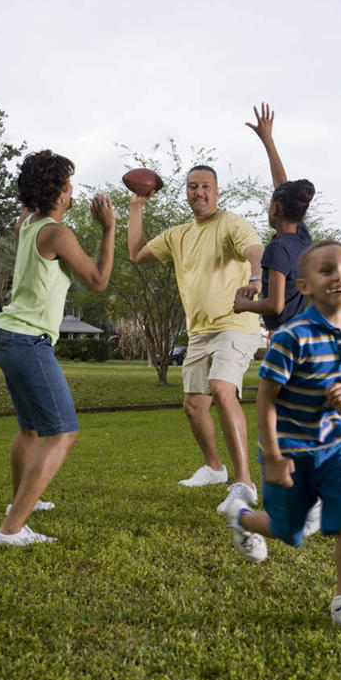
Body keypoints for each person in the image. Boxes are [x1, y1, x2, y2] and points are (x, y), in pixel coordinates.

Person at [224, 240, 341, 639]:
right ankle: (241, 517)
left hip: (333, 448)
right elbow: (266, 399)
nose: (339, 277)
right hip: (288, 450)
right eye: (327, 271)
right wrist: (273, 455)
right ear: (305, 286)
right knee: (288, 531)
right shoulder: (291, 337)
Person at [0, 150, 115, 546]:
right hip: (28, 341)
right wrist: (109, 229)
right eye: (68, 182)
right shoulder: (57, 233)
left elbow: (32, 208)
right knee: (62, 433)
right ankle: (11, 530)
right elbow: (97, 280)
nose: (73, 188)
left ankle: (19, 504)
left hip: (5, 335)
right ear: (59, 191)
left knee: (29, 429)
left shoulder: (26, 222)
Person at [128, 165, 264, 513]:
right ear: (186, 192)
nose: (198, 192)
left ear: (217, 191)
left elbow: (254, 250)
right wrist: (136, 207)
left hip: (235, 324)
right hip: (199, 332)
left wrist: (257, 276)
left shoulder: (232, 223)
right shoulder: (178, 235)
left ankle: (244, 483)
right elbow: (137, 253)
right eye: (192, 187)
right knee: (193, 405)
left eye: (205, 186)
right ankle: (215, 469)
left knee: (221, 389)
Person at [233, 102, 321, 536]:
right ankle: (311, 498)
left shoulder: (276, 249)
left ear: (273, 209)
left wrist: (243, 304)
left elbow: (273, 305)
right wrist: (268, 141)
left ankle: (293, 503)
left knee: (280, 425)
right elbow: (283, 185)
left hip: (285, 343)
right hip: (309, 342)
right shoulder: (302, 237)